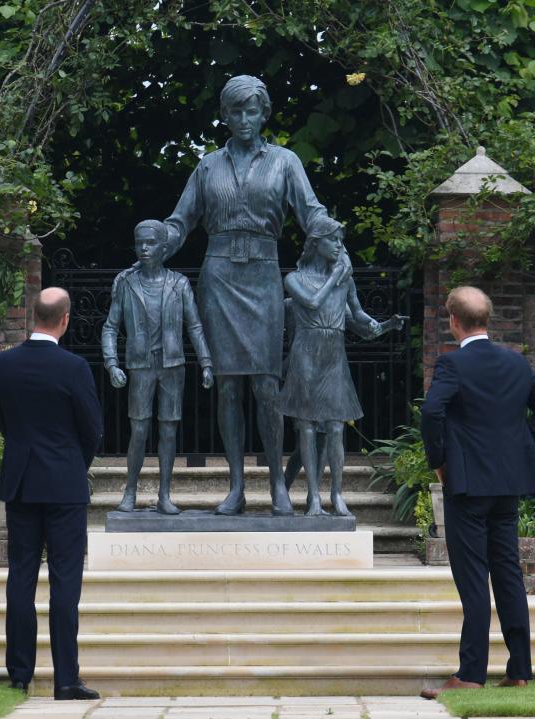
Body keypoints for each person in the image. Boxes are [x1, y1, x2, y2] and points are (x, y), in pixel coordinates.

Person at [163, 74, 336, 516]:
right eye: (235, 111)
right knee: (227, 388)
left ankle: (277, 483)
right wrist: (155, 241)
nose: (243, 119)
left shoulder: (284, 162)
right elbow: (180, 221)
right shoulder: (207, 167)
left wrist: (334, 242)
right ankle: (237, 486)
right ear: (224, 115)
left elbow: (310, 211)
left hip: (262, 275)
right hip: (219, 277)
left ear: (265, 114)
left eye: (252, 110)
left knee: (265, 384)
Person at [418, 286, 535, 699]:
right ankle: (519, 670)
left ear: (453, 321)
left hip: (467, 486)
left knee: (473, 579)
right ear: (488, 319)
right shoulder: (516, 362)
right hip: (507, 486)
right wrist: (521, 449)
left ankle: (470, 674)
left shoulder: (452, 364)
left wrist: (440, 461)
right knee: (508, 573)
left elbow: (431, 411)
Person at [0, 287, 103, 700]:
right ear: (65, 319)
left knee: (20, 577)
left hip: (21, 482)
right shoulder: (74, 367)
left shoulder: (4, 364)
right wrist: (74, 463)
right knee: (65, 582)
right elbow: (92, 428)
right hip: (64, 485)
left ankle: (20, 673)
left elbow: (2, 420)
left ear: (32, 316)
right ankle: (66, 679)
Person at [278, 217, 405, 516]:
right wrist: (335, 278)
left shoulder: (344, 279)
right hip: (306, 353)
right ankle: (312, 498)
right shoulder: (295, 279)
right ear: (316, 243)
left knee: (336, 427)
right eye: (333, 240)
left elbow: (358, 317)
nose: (339, 245)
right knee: (306, 427)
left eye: (340, 240)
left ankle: (336, 493)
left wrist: (385, 325)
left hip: (333, 354)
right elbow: (310, 303)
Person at [101, 219, 215, 514]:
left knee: (168, 431)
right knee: (138, 431)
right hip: (141, 366)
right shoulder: (126, 283)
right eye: (140, 243)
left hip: (172, 365)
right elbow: (110, 327)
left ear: (164, 248)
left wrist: (206, 362)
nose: (144, 249)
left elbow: (195, 326)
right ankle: (130, 492)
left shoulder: (178, 284)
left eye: (151, 243)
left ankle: (165, 494)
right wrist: (111, 363)